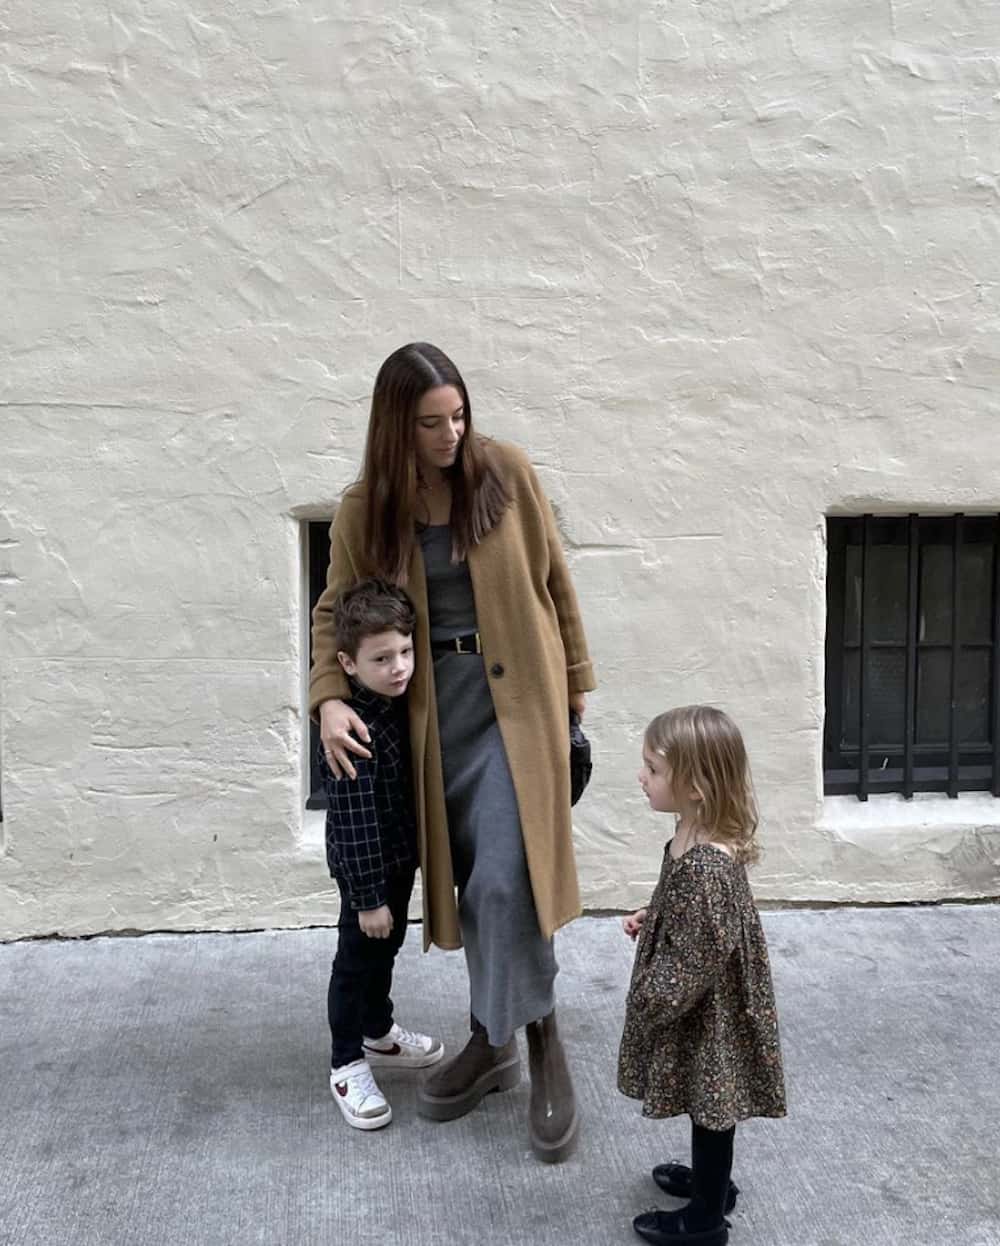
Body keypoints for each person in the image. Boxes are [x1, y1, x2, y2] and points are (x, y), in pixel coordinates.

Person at [309, 342, 596, 1162]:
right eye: (431, 421)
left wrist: (575, 677)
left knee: (508, 878)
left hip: (519, 708)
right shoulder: (369, 507)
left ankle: (540, 1043)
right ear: (397, 425)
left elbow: (553, 576)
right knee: (476, 887)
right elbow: (335, 612)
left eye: (459, 415)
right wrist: (330, 696)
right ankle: (490, 1037)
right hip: (431, 721)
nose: (450, 433)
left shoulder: (502, 468)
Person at [618, 706, 786, 1246]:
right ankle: (710, 1182)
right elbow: (687, 906)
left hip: (709, 1009)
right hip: (706, 999)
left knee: (713, 1103)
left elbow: (701, 955)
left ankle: (705, 1219)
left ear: (696, 785)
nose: (641, 777)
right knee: (706, 1095)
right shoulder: (688, 831)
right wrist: (656, 914)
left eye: (653, 769)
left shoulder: (708, 865)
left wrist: (651, 998)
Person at [320, 578, 444, 1132]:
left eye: (405, 652)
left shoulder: (398, 706)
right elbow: (354, 823)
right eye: (381, 658)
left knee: (386, 950)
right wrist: (368, 897)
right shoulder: (351, 728)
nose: (398, 667)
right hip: (366, 872)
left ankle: (378, 1031)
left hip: (397, 863)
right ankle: (347, 1061)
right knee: (355, 961)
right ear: (346, 662)